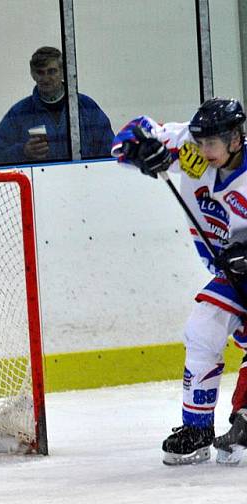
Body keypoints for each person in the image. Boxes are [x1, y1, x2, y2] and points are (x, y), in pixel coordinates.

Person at [111, 97, 247, 465]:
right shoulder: (191, 145)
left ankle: (244, 423)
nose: (204, 151)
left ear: (236, 139)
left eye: (213, 143)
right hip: (231, 275)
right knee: (202, 330)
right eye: (201, 142)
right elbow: (127, 134)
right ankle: (197, 429)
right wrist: (140, 152)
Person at [0, 46, 114, 165]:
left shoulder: (87, 108)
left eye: (51, 71)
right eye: (40, 73)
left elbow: (111, 152)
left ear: (63, 71)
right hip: (39, 187)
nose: (46, 78)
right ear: (32, 74)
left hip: (84, 183)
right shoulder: (19, 113)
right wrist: (23, 151)